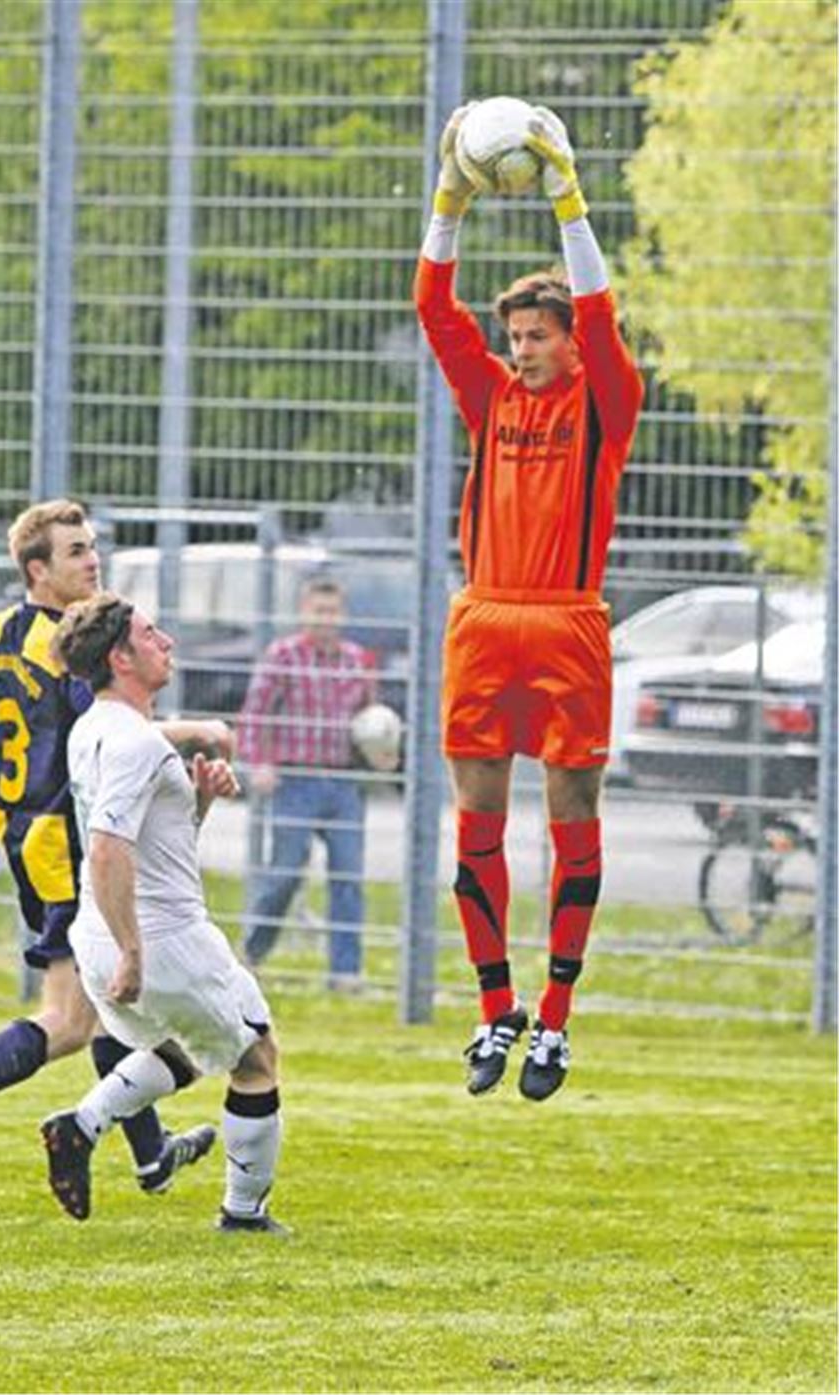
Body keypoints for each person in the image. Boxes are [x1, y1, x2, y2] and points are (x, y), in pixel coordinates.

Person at [415, 104, 644, 1100]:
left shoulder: (604, 397)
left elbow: (600, 313)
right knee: (475, 821)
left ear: (570, 342)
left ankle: (554, 1021)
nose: (520, 350)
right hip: (483, 619)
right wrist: (448, 205)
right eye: (513, 336)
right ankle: (492, 1009)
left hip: (564, 621)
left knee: (569, 815)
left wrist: (566, 199)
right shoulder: (493, 399)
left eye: (536, 335)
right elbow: (432, 311)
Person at [0, 499, 224, 1198]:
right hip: (66, 840)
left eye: (92, 546)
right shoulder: (69, 648)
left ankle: (151, 1153)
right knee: (72, 1018)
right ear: (37, 569)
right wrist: (197, 729)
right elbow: (121, 735)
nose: (92, 559)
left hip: (24, 834)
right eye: (75, 550)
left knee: (108, 998)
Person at [40, 593, 287, 1235]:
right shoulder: (137, 745)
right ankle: (243, 1214)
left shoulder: (93, 727)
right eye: (152, 635)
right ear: (120, 657)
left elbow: (147, 845)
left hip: (102, 932)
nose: (168, 641)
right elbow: (106, 847)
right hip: (160, 937)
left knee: (187, 1047)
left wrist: (199, 800)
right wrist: (134, 951)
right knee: (255, 1054)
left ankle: (82, 1126)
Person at [236, 576, 377, 987]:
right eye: (317, 610)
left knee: (348, 878)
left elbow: (370, 720)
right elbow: (255, 714)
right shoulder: (283, 655)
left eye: (332, 611)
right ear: (303, 612)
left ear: (343, 614)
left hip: (343, 783)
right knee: (284, 874)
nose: (325, 619)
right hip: (294, 782)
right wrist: (259, 762)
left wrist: (380, 754)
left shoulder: (356, 661)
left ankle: (345, 973)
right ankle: (251, 953)